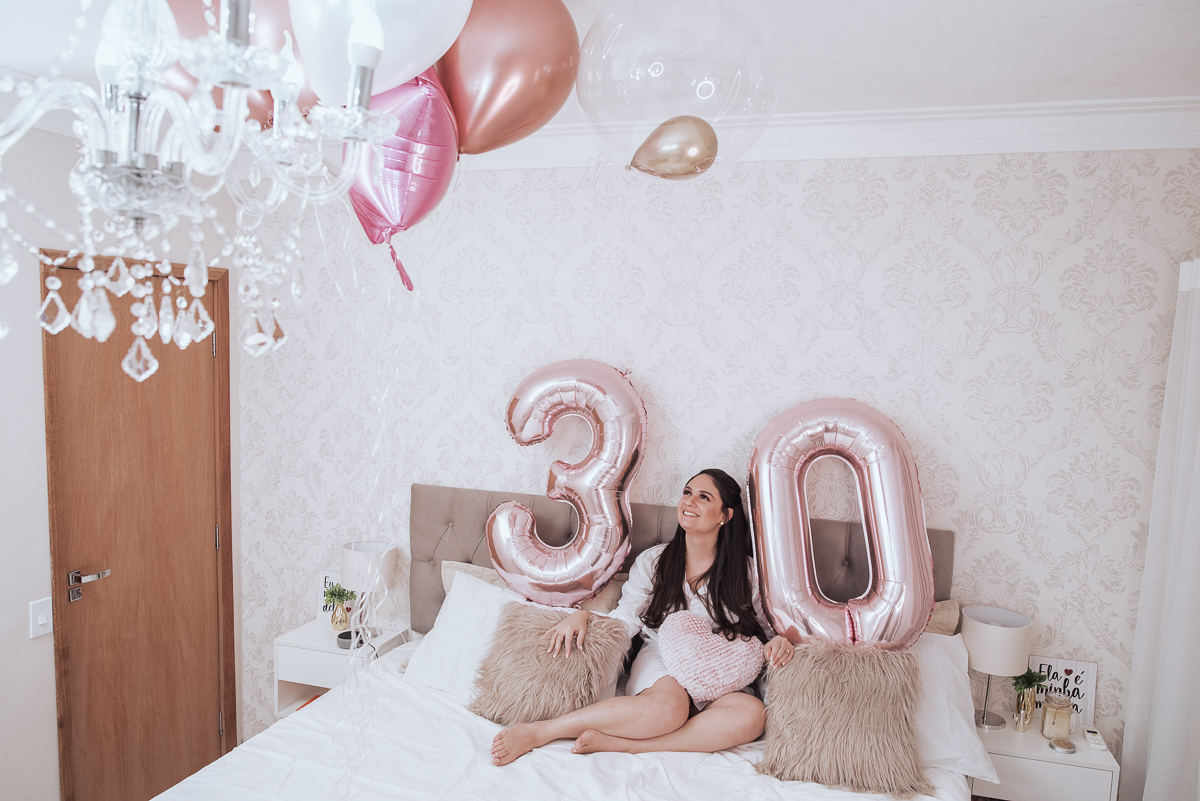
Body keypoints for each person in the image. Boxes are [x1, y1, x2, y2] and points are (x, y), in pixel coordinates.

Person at [490, 468, 796, 766]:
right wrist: (586, 617)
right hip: (662, 657)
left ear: (725, 516)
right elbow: (627, 619)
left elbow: (764, 631)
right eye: (687, 493)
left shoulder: (748, 573)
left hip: (721, 665)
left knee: (753, 715)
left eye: (703, 497)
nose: (689, 502)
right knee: (669, 709)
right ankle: (541, 731)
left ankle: (629, 746)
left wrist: (778, 642)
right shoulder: (654, 562)